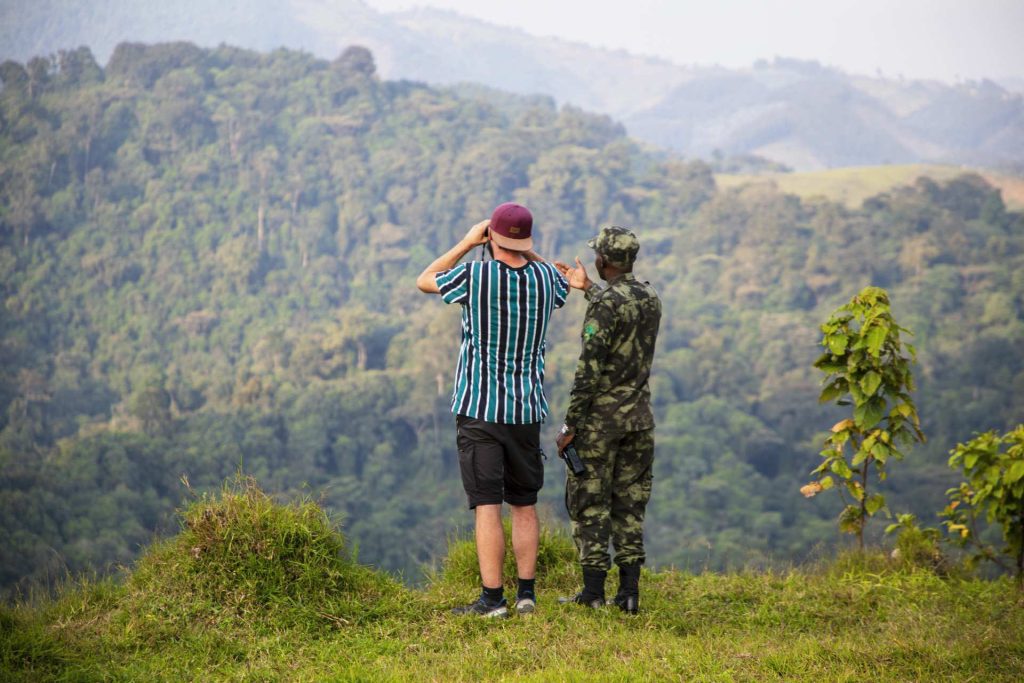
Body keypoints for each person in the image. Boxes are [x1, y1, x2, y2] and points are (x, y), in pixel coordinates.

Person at [416, 202, 568, 618]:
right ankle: (527, 595)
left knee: (487, 504)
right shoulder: (547, 281)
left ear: (491, 238)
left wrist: (468, 241)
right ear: (526, 240)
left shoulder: (474, 274)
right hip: (526, 410)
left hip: (480, 409)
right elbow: (557, 278)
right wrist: (526, 251)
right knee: (524, 504)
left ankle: (492, 599)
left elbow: (425, 280)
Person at [554, 226, 662, 614]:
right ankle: (629, 593)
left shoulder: (605, 305)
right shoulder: (650, 296)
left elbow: (588, 371)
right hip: (639, 420)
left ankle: (593, 592)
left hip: (600, 425)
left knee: (589, 503)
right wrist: (587, 288)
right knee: (631, 506)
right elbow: (622, 308)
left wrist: (570, 426)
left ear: (602, 260)